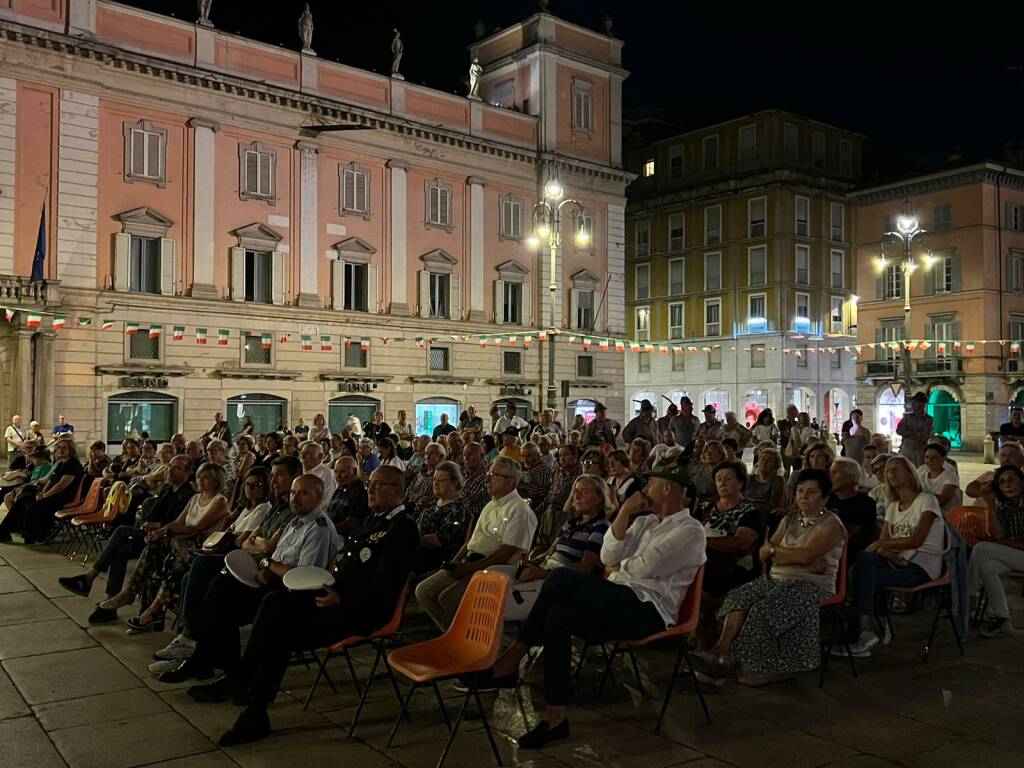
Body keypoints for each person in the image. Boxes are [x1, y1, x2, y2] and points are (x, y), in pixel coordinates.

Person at [185, 466, 416, 747]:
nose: (371, 489)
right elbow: (348, 565)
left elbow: (386, 589)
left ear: (399, 491)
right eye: (372, 483)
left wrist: (343, 599)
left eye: (380, 485)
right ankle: (252, 703)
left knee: (278, 619)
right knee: (275, 608)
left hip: (358, 612)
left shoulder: (402, 527)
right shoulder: (372, 520)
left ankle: (248, 692)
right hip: (333, 595)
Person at [487, 464, 706, 749]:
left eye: (649, 483)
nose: (644, 490)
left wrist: (620, 567)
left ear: (667, 488)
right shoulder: (643, 523)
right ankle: (556, 719)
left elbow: (645, 568)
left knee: (562, 577)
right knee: (558, 614)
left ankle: (514, 656)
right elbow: (606, 556)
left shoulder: (690, 530)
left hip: (649, 611)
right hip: (617, 598)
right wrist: (625, 512)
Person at [157, 471, 340, 691]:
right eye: (293, 492)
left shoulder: (317, 527)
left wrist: (267, 566)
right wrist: (267, 566)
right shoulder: (296, 522)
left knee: (223, 593)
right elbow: (271, 556)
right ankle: (216, 662)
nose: (295, 498)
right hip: (272, 581)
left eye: (303, 493)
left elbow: (301, 575)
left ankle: (216, 665)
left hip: (291, 596)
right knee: (220, 586)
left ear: (319, 497)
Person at [698, 468, 846, 686]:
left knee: (761, 611)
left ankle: (745, 665)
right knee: (739, 597)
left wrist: (780, 554)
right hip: (776, 577)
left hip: (810, 583)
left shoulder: (832, 524)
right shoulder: (790, 518)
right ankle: (721, 649)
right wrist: (788, 556)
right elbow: (764, 552)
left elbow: (802, 556)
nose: (803, 497)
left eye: (811, 493)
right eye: (800, 491)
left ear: (824, 497)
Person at [835, 456, 945, 658]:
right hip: (896, 562)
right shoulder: (894, 506)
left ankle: (865, 630)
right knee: (860, 565)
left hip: (920, 566)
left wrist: (881, 546)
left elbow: (916, 540)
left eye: (896, 469)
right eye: (888, 470)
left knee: (859, 573)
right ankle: (866, 629)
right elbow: (885, 539)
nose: (890, 473)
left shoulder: (926, 500)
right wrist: (884, 549)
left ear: (910, 473)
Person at [98, 463, 229, 632]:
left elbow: (197, 528)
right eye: (198, 476)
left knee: (164, 556)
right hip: (179, 542)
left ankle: (151, 609)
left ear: (216, 481)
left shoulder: (220, 502)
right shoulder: (195, 498)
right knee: (152, 550)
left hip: (199, 547)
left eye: (205, 477)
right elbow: (178, 522)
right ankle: (134, 596)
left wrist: (165, 531)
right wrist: (160, 531)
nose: (200, 480)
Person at [57, 456, 196, 615]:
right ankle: (110, 602)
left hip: (167, 539)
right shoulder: (167, 489)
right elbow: (153, 515)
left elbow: (175, 523)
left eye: (177, 468)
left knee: (122, 530)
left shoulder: (188, 494)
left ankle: (89, 577)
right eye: (170, 466)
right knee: (121, 550)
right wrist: (151, 523)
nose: (170, 470)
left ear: (187, 473)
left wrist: (156, 525)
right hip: (150, 534)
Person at [415, 456, 536, 630]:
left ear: (510, 482)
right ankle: (453, 634)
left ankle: (468, 640)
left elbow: (505, 554)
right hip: (471, 563)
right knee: (424, 591)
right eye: (489, 473)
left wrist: (468, 569)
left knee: (448, 598)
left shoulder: (520, 510)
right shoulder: (490, 505)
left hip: (494, 570)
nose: (487, 478)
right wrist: (455, 562)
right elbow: (472, 541)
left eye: (494, 475)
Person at [492, 474, 612, 622]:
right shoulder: (571, 523)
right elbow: (551, 551)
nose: (577, 496)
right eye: (575, 491)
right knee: (490, 574)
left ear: (600, 498)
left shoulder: (600, 526)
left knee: (498, 600)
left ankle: (486, 636)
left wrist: (544, 573)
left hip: (561, 582)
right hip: (544, 569)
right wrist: (532, 563)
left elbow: (586, 567)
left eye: (585, 492)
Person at [969, 465, 1024, 637]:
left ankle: (968, 596)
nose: (1007, 485)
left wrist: (990, 541)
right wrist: (990, 503)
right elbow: (999, 535)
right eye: (1001, 482)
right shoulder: (1004, 506)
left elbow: (1000, 541)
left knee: (982, 548)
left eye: (1011, 480)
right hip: (1016, 556)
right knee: (988, 567)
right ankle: (1002, 619)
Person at [698, 461, 764, 598]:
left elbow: (740, 543)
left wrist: (700, 541)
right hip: (701, 563)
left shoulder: (751, 512)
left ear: (740, 483)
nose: (722, 483)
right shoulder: (705, 507)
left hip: (733, 571)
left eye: (728, 478)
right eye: (718, 479)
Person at [0, 438, 84, 543]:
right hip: (53, 494)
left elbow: (61, 485)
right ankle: (4, 531)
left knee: (33, 505)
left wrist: (45, 495)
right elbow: (50, 481)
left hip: (63, 497)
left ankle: (32, 535)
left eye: (64, 448)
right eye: (59, 448)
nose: (61, 450)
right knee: (22, 500)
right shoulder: (61, 463)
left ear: (71, 450)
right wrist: (43, 493)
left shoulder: (72, 465)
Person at [412, 460, 471, 574]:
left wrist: (412, 540)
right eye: (434, 479)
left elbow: (440, 539)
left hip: (436, 558)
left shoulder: (457, 508)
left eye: (441, 480)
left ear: (454, 483)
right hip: (418, 549)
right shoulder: (433, 502)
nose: (435, 483)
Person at [827, 457, 879, 559]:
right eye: (830, 473)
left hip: (850, 553)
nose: (830, 477)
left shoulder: (866, 503)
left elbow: (851, 534)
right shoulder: (826, 498)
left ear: (851, 478)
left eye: (835, 473)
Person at [325, 456, 368, 536]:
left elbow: (351, 524)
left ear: (355, 471)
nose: (338, 476)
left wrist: (326, 532)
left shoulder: (360, 492)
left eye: (342, 472)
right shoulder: (339, 490)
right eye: (336, 472)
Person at [917, 442, 961, 518]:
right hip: (924, 514)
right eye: (927, 457)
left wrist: (918, 495)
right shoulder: (921, 473)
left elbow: (942, 501)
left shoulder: (950, 477)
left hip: (945, 518)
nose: (930, 460)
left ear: (943, 459)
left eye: (934, 457)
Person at [744, 446, 785, 519]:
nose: (764, 462)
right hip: (743, 512)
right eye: (762, 459)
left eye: (769, 460)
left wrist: (749, 506)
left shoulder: (777, 480)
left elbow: (773, 506)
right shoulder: (749, 478)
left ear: (776, 466)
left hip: (762, 516)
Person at [406, 441, 445, 514]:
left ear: (441, 457)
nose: (427, 456)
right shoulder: (421, 472)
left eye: (431, 454)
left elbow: (437, 498)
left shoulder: (442, 476)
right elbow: (409, 490)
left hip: (424, 511)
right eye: (426, 453)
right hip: (409, 507)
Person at [897, 392, 934, 467]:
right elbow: (899, 430)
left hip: (920, 450)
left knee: (919, 471)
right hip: (906, 449)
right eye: (913, 403)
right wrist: (916, 433)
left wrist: (908, 433)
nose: (913, 404)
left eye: (916, 402)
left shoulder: (928, 419)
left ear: (922, 404)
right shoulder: (907, 417)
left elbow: (925, 436)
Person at [299, 441, 336, 511]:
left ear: (320, 456)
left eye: (308, 454)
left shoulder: (327, 474)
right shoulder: (301, 472)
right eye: (302, 453)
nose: (303, 457)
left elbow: (326, 502)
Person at [520, 442, 553, 512]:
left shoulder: (542, 469)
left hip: (537, 506)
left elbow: (545, 493)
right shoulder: (529, 467)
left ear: (538, 455)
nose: (525, 459)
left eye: (528, 456)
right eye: (523, 456)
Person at [692, 440, 726, 504]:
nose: (709, 453)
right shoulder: (699, 468)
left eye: (713, 450)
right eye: (706, 451)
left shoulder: (725, 471)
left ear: (721, 455)